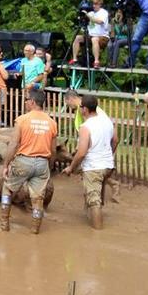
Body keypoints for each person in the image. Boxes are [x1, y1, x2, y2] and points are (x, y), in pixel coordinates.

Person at [0, 89, 57, 234]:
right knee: (38, 199)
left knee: (8, 189)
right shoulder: (51, 122)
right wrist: (49, 166)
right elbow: (53, 150)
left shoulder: (22, 120)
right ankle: (35, 229)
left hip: (24, 160)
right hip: (42, 163)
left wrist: (6, 165)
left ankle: (4, 222)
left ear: (32, 102)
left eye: (26, 100)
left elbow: (13, 145)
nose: (25, 102)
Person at [61, 95, 117, 229]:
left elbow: (81, 153)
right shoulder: (107, 121)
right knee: (97, 192)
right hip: (108, 166)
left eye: (81, 108)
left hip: (94, 167)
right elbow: (115, 140)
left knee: (94, 201)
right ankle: (88, 215)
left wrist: (71, 167)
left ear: (84, 109)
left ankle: (97, 233)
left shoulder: (85, 127)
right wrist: (108, 155)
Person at [71, 0, 110, 67]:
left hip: (102, 37)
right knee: (77, 38)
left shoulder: (104, 12)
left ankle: (96, 61)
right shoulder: (91, 12)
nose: (94, 5)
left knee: (94, 39)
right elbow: (84, 25)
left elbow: (99, 21)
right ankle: (74, 60)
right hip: (91, 36)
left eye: (96, 4)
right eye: (93, 4)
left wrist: (88, 16)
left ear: (100, 4)